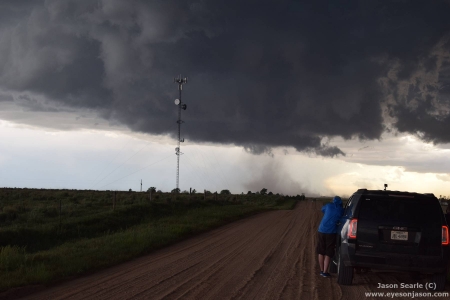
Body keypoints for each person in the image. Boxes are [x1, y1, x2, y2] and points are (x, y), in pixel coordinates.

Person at [316, 196, 344, 278]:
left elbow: (322, 210)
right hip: (331, 232)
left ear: (333, 201)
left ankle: (321, 270)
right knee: (328, 251)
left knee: (321, 251)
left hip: (321, 230)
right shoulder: (341, 210)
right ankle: (325, 272)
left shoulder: (328, 206)